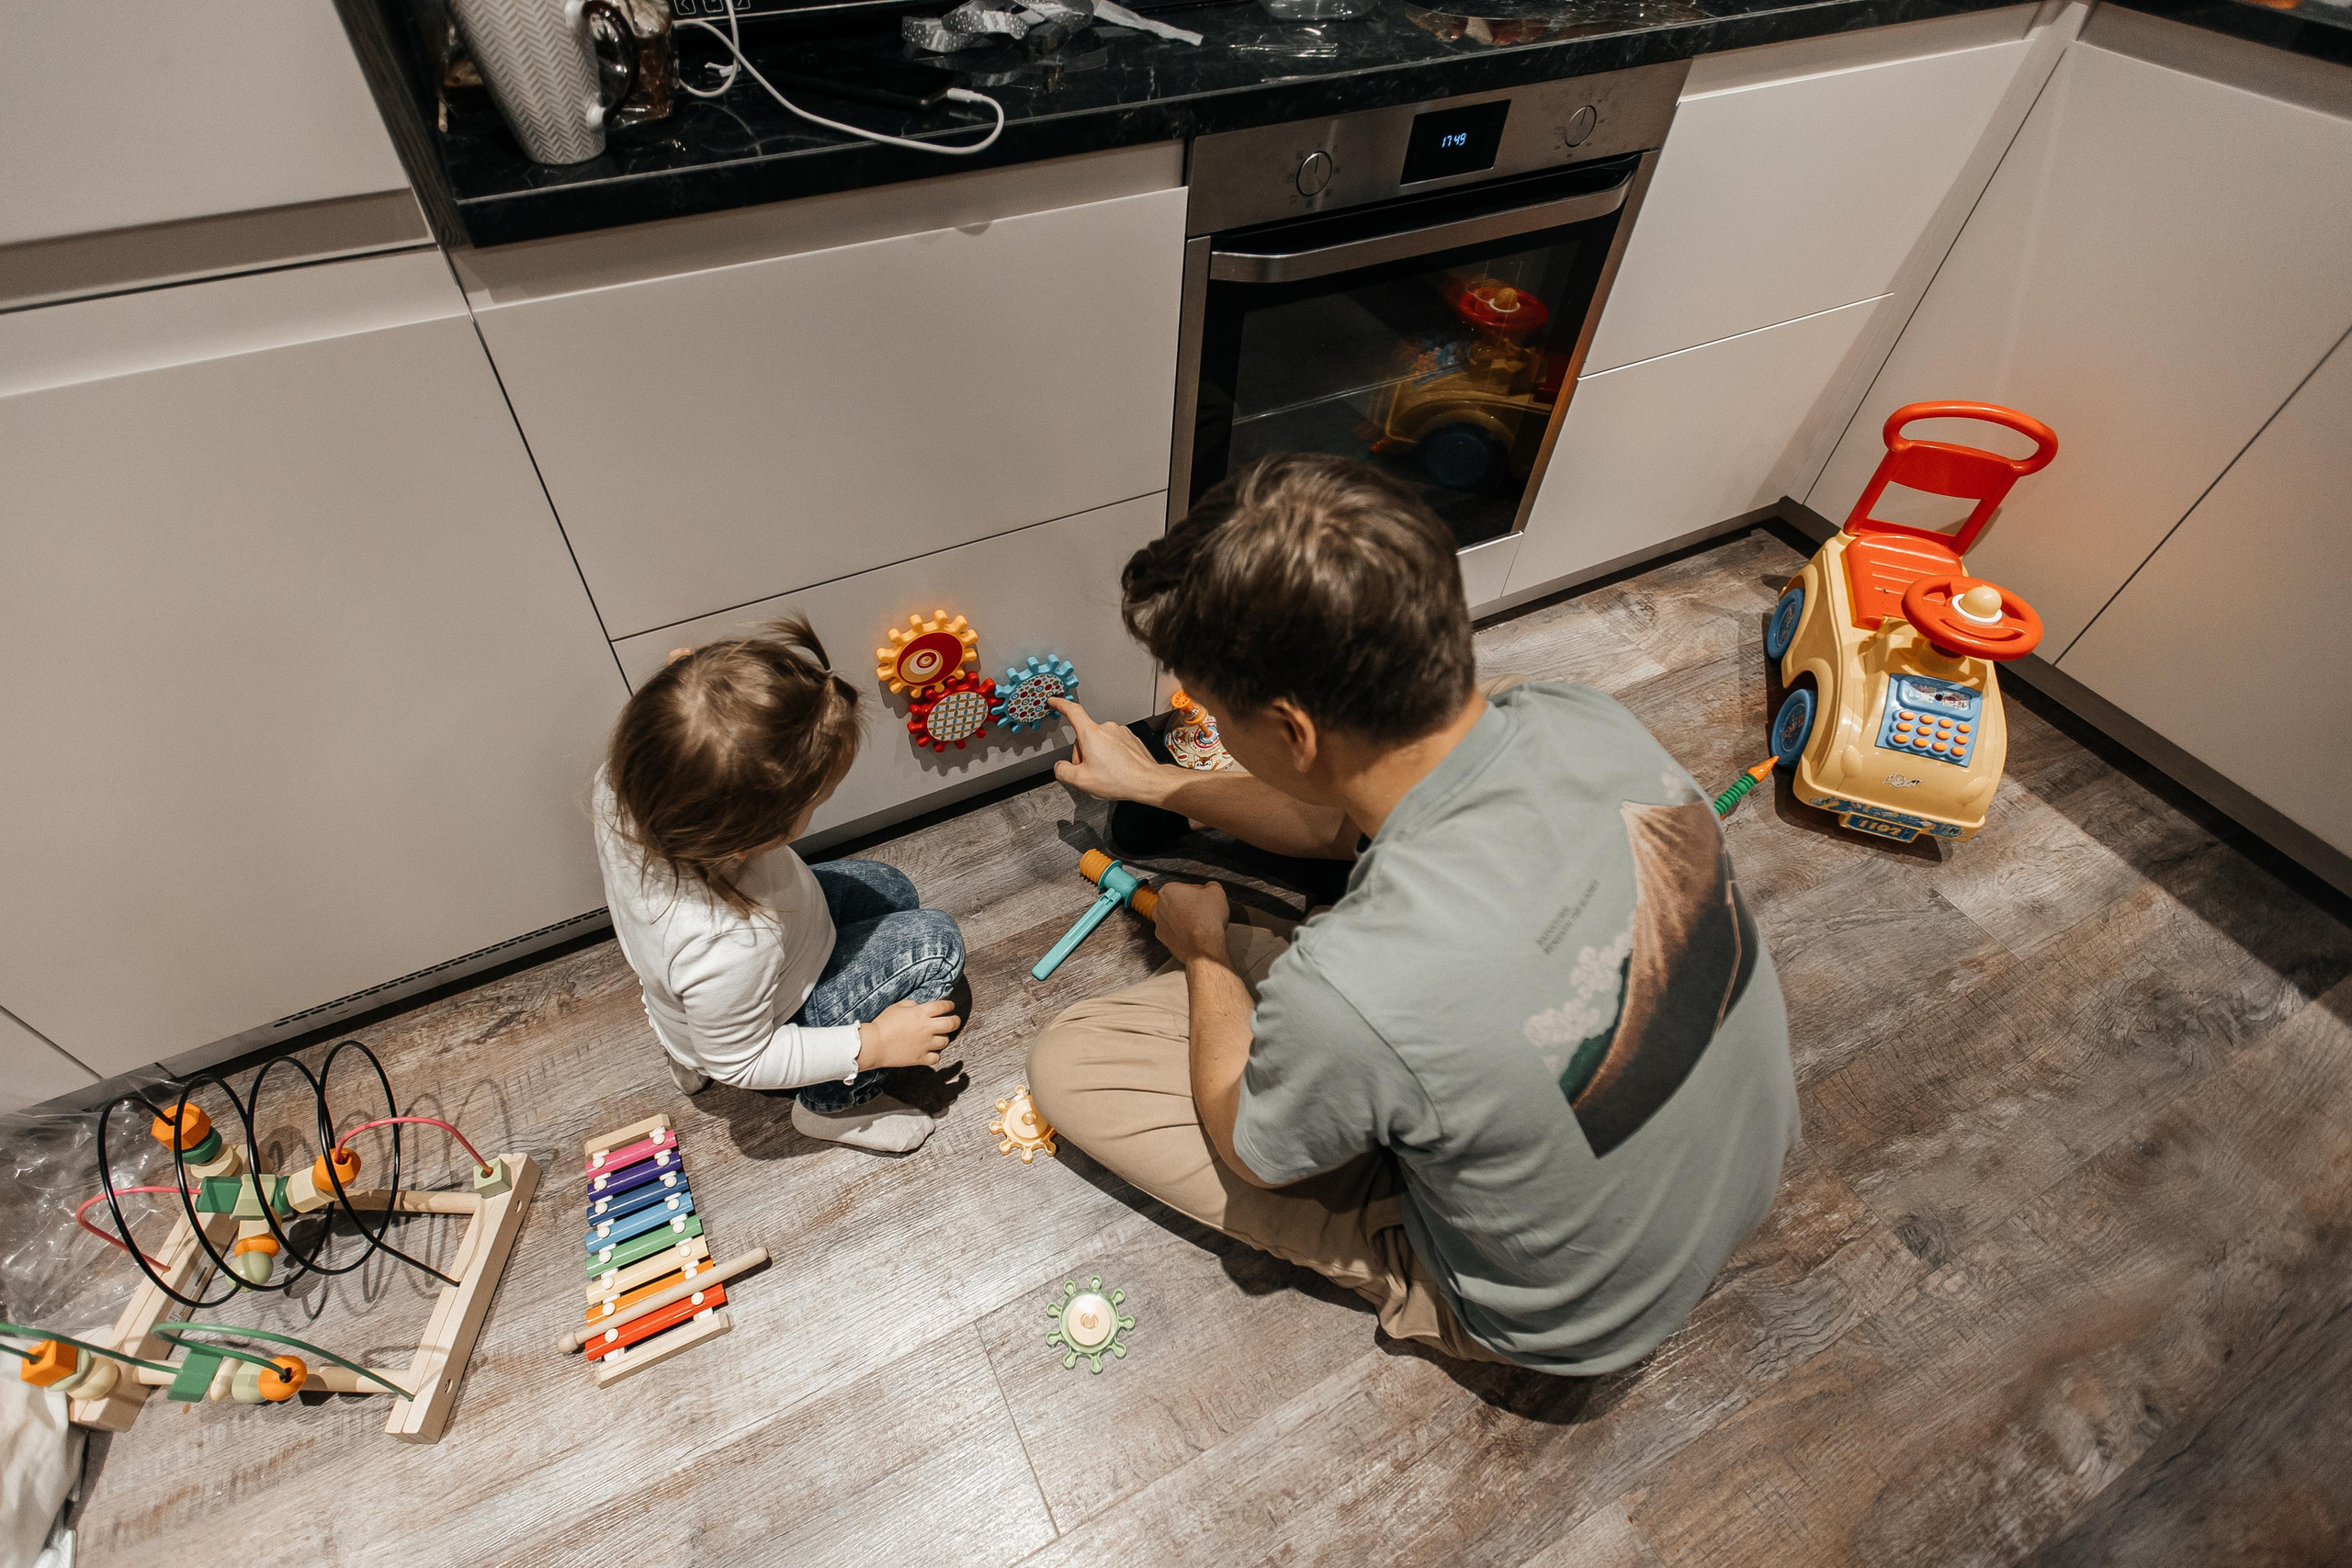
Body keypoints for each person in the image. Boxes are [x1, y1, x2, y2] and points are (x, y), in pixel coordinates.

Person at [1029, 454, 1798, 1374]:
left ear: (1291, 732)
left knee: (1072, 1064)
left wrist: (1204, 954)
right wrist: (1157, 781)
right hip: (1736, 1178)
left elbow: (1251, 1150)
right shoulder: (1578, 717)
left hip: (1573, 1318)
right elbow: (1335, 817)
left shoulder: (1352, 986)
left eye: (1218, 719)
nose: (1213, 733)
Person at [594, 617, 962, 1154]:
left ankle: (682, 1046)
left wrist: (693, 684)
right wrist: (874, 1044)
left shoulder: (627, 784)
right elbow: (741, 1060)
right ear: (747, 840)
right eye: (814, 805)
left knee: (892, 889)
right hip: (754, 1018)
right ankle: (833, 1108)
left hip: (708, 989)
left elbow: (672, 728)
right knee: (936, 945)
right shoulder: (729, 944)